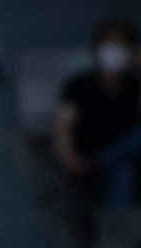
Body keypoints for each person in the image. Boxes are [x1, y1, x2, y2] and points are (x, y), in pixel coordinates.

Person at [55, 17, 141, 208]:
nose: (113, 52)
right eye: (108, 45)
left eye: (120, 46)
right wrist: (68, 156)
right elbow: (64, 126)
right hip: (86, 162)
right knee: (122, 170)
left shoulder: (135, 86)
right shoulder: (78, 86)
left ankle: (101, 160)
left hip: (122, 161)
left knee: (125, 165)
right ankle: (120, 234)